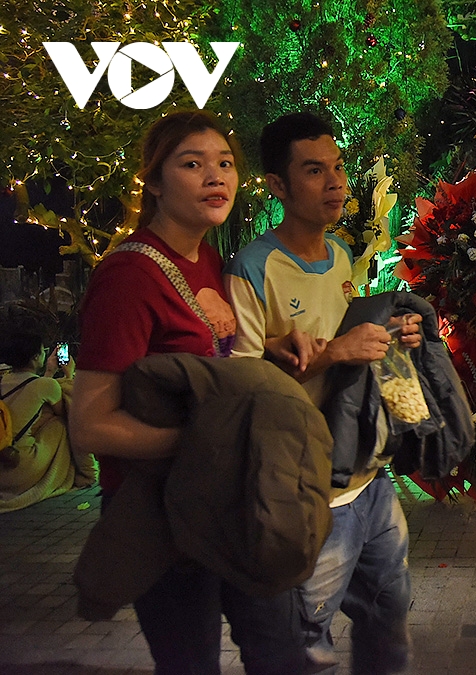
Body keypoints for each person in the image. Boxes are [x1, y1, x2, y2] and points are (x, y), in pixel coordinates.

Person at [69, 110, 306, 675]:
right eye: (192, 164)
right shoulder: (129, 276)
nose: (215, 176)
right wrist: (206, 441)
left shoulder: (207, 259)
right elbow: (91, 424)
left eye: (224, 163)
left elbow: (208, 361)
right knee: (191, 663)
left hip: (225, 495)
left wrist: (272, 347)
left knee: (280, 649)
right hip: (164, 513)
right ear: (154, 181)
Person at [225, 111, 420, 675]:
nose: (335, 182)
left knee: (389, 615)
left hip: (366, 474)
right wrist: (334, 352)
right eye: (314, 171)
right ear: (277, 185)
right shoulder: (253, 268)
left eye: (337, 167)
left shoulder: (339, 255)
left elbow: (347, 342)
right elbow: (239, 392)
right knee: (305, 644)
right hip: (306, 489)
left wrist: (391, 333)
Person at [0, 302, 92, 513]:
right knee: (59, 422)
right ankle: (76, 472)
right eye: (42, 350)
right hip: (21, 469)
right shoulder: (45, 386)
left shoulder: (4, 381)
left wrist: (49, 372)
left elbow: (34, 392)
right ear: (35, 356)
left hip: (3, 465)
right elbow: (66, 411)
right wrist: (69, 374)